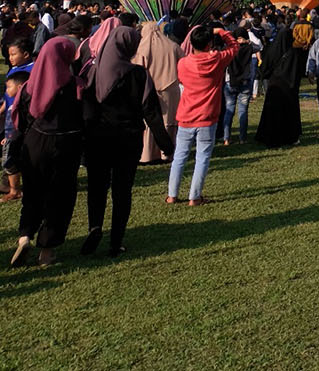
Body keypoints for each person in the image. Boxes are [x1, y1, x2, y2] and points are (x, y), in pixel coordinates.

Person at [82, 27, 173, 257]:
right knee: (122, 191)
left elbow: (86, 111)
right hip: (128, 140)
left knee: (97, 187)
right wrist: (166, 145)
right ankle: (116, 240)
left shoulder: (93, 73)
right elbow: (151, 112)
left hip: (98, 140)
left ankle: (95, 227)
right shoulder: (139, 75)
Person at [10, 36, 84, 268]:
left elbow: (19, 122)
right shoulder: (76, 86)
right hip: (65, 145)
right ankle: (47, 251)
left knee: (33, 193)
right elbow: (86, 117)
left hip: (35, 144)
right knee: (59, 197)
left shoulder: (28, 87)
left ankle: (25, 236)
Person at [167, 25, 239, 206]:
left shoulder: (183, 63)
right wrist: (222, 32)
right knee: (202, 158)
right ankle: (195, 196)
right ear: (209, 44)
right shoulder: (216, 60)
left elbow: (182, 80)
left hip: (186, 115)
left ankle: (172, 195)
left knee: (180, 157)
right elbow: (234, 47)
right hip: (207, 117)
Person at [135, 22, 182, 164]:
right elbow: (183, 62)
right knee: (169, 120)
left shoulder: (142, 48)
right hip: (170, 89)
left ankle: (147, 154)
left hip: (148, 90)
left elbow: (137, 69)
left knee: (149, 121)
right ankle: (167, 152)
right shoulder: (173, 46)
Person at [255, 25, 302, 149]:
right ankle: (289, 137)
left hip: (275, 85)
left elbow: (264, 68)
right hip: (288, 87)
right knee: (288, 114)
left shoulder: (272, 50)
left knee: (272, 114)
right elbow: (297, 72)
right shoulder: (293, 52)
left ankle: (269, 137)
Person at [221, 28, 258, 145]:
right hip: (244, 82)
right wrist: (248, 42)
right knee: (243, 111)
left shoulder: (230, 49)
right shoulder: (249, 48)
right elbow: (259, 46)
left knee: (229, 110)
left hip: (229, 81)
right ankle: (243, 138)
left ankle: (226, 138)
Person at [2, 63, 27, 201]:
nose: (6, 91)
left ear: (19, 88)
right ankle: (14, 189)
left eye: (9, 87)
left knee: (10, 164)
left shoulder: (23, 106)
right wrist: (7, 137)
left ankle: (15, 190)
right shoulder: (13, 104)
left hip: (18, 141)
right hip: (10, 138)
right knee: (9, 164)